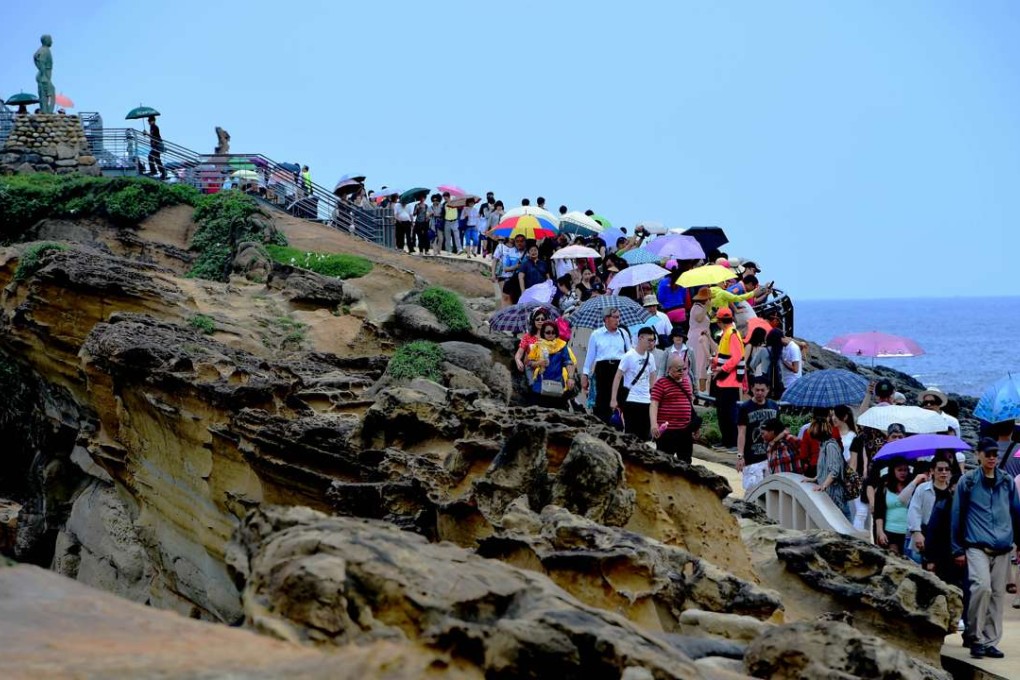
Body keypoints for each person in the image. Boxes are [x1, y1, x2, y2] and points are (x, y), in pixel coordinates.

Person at [951, 437, 1020, 659]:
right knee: (982, 587)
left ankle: (990, 641)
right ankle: (974, 635)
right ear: (978, 455)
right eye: (987, 453)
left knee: (997, 596)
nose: (992, 457)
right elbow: (957, 515)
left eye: (994, 454)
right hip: (976, 544)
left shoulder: (1007, 481)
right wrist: (957, 549)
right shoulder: (968, 481)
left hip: (1002, 546)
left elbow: (1016, 513)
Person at [581, 308, 632, 424]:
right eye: (615, 317)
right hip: (602, 369)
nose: (617, 320)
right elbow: (590, 356)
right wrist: (585, 374)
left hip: (619, 369)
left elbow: (630, 353)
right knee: (602, 401)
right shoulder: (596, 334)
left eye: (619, 317)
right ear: (606, 319)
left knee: (620, 401)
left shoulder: (623, 333)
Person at [650, 353, 698, 463]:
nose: (681, 372)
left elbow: (690, 405)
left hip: (685, 430)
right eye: (678, 370)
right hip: (667, 431)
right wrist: (654, 424)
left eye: (684, 369)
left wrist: (695, 426)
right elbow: (654, 404)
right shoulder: (661, 383)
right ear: (669, 369)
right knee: (664, 462)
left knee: (686, 461)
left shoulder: (686, 382)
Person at [611, 327, 658, 437]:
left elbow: (653, 375)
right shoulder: (629, 355)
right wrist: (614, 399)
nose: (651, 343)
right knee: (631, 433)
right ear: (641, 338)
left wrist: (653, 394)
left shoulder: (650, 357)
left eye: (653, 340)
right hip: (631, 399)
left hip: (646, 400)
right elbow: (618, 376)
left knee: (644, 433)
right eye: (649, 340)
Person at [804, 414, 852, 521]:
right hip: (829, 492)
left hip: (835, 493)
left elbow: (834, 470)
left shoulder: (830, 446)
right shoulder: (823, 445)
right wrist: (815, 478)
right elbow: (824, 468)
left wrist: (823, 485)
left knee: (843, 521)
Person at [736, 378, 781, 490]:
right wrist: (740, 456)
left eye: (762, 390)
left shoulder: (774, 406)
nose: (759, 393)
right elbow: (741, 433)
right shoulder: (745, 408)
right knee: (752, 490)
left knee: (771, 491)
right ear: (752, 389)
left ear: (767, 390)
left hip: (770, 457)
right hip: (752, 458)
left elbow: (779, 431)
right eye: (757, 390)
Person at [711, 307, 745, 451]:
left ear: (720, 322)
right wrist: (714, 360)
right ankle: (726, 440)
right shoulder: (726, 333)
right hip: (722, 379)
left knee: (729, 412)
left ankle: (732, 442)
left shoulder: (731, 334)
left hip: (729, 380)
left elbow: (736, 357)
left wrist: (722, 368)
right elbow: (724, 354)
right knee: (722, 411)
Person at [874, 459, 924, 555]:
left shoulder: (914, 486)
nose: (903, 473)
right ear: (893, 471)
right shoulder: (884, 487)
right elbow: (878, 512)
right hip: (890, 531)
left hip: (908, 533)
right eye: (899, 470)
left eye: (905, 470)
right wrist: (880, 532)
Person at [525, 321, 577, 409]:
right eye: (548, 332)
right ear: (543, 333)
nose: (551, 334)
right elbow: (529, 363)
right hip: (539, 385)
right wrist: (538, 363)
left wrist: (571, 378)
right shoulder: (537, 346)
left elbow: (568, 362)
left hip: (557, 384)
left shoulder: (561, 345)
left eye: (553, 332)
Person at [688, 287, 714, 393]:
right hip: (697, 339)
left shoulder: (703, 308)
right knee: (699, 363)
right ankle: (698, 390)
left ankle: (702, 390)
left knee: (703, 364)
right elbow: (699, 319)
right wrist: (706, 308)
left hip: (704, 338)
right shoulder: (696, 307)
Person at [34, 34, 55, 114]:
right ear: (46, 40)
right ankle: (48, 111)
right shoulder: (44, 50)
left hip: (43, 74)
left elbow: (35, 58)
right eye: (50, 39)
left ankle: (45, 110)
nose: (52, 42)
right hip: (44, 75)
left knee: (44, 94)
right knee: (50, 92)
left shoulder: (41, 50)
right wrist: (43, 75)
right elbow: (41, 61)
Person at [146, 115, 166, 180]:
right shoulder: (152, 127)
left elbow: (154, 137)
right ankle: (161, 172)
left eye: (150, 121)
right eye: (148, 121)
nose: (148, 122)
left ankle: (155, 171)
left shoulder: (155, 127)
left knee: (151, 157)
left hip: (157, 146)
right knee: (157, 159)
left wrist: (147, 134)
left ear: (153, 121)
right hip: (155, 146)